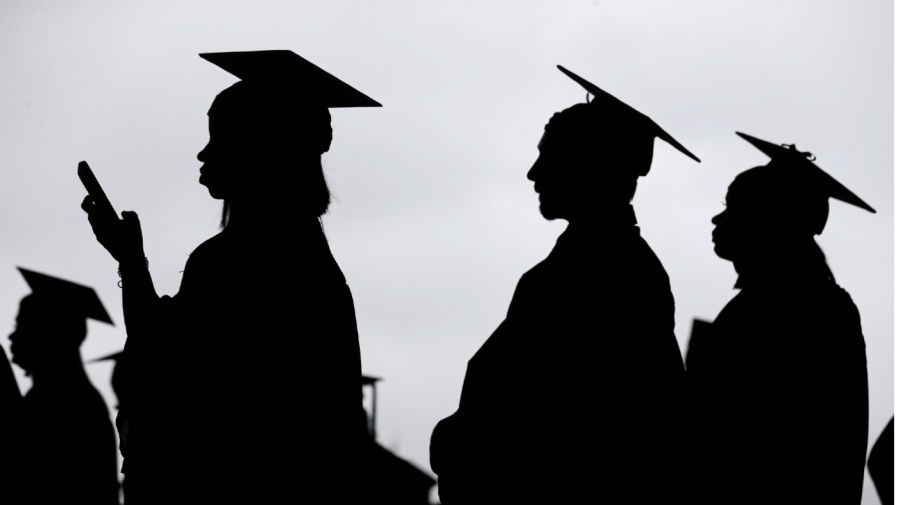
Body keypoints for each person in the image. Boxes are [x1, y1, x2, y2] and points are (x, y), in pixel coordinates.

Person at [81, 50, 377, 503]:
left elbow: (166, 374)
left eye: (221, 137)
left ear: (261, 149)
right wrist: (130, 260)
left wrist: (132, 264)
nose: (204, 153)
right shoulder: (302, 259)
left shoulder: (242, 262)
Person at [430, 65, 700, 504]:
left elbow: (538, 405)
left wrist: (455, 438)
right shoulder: (593, 265)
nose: (534, 173)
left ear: (592, 165)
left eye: (550, 155)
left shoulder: (607, 272)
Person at [688, 132, 872, 504]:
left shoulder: (809, 311)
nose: (718, 217)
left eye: (734, 206)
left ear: (771, 220)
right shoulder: (782, 303)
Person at [7, 267, 121, 505]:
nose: (12, 337)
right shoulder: (64, 397)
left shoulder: (66, 405)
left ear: (56, 335)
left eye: (24, 325)